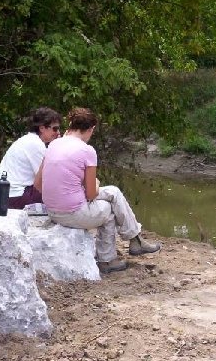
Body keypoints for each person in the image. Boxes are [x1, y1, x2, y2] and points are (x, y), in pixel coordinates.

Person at [34, 107, 161, 274]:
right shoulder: (87, 151)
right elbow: (91, 194)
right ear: (91, 129)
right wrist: (95, 182)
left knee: (113, 192)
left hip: (52, 211)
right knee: (109, 210)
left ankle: (131, 242)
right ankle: (110, 258)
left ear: (70, 126)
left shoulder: (53, 145)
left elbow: (37, 184)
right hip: (71, 213)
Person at [0, 107, 62, 209]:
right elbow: (48, 178)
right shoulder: (36, 144)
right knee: (61, 194)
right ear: (42, 128)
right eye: (55, 128)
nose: (58, 133)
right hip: (12, 196)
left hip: (1, 193)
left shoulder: (28, 139)